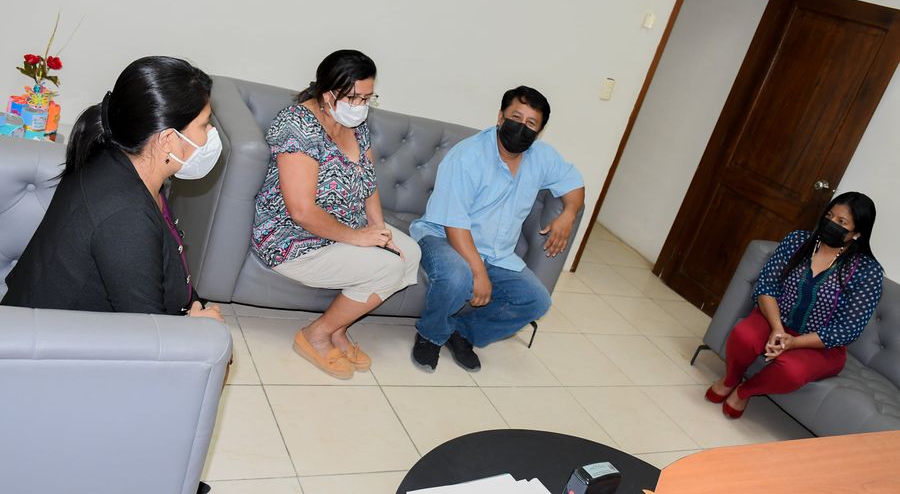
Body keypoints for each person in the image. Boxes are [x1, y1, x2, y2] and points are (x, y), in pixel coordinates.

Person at [3, 56, 224, 323]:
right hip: (43, 343)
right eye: (204, 125)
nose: (211, 133)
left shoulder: (120, 160)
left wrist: (194, 306)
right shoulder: (126, 215)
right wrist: (197, 330)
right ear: (167, 140)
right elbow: (148, 334)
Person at [251, 50, 420, 380]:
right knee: (387, 268)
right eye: (354, 98)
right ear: (328, 93)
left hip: (347, 226)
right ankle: (315, 334)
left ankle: (338, 329)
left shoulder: (356, 125)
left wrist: (379, 229)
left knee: (410, 253)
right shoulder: (297, 125)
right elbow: (301, 211)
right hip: (295, 238)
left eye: (367, 98)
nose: (360, 106)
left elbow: (368, 182)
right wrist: (358, 238)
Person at [409, 86, 585, 372]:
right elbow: (454, 224)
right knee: (458, 276)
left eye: (531, 123)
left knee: (537, 301)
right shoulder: (468, 156)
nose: (522, 127)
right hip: (444, 237)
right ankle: (431, 335)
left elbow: (574, 184)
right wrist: (478, 272)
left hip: (497, 252)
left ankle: (462, 333)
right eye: (516, 117)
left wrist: (569, 213)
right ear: (500, 117)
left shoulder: (542, 157)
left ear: (538, 132)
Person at [706, 192, 884, 418]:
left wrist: (794, 342)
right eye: (829, 216)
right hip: (775, 318)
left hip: (821, 344)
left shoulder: (868, 272)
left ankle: (744, 391)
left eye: (841, 222)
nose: (831, 223)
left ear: (857, 233)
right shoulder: (798, 241)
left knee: (792, 371)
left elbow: (846, 330)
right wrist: (777, 328)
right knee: (744, 336)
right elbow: (767, 285)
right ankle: (731, 379)